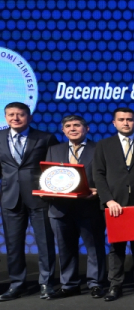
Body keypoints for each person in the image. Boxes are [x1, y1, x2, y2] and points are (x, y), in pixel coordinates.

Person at [93, 107, 134, 301]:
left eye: (129, 119)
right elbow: (98, 174)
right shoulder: (104, 145)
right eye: (121, 119)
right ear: (114, 123)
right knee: (116, 246)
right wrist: (108, 200)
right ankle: (115, 285)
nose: (126, 122)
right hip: (115, 205)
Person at [0, 102, 60, 300]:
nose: (15, 118)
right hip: (10, 198)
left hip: (39, 198)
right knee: (13, 245)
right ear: (5, 117)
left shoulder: (45, 138)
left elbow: (54, 169)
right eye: (11, 114)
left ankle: (46, 283)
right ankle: (17, 284)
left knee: (45, 243)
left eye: (20, 114)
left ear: (30, 117)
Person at [45, 115, 106, 298]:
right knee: (65, 248)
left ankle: (95, 283)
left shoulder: (99, 148)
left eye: (77, 125)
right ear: (63, 130)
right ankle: (69, 284)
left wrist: (99, 192)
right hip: (60, 209)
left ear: (86, 129)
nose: (72, 129)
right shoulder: (54, 150)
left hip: (89, 207)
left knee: (94, 247)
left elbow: (107, 175)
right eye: (68, 126)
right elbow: (48, 175)